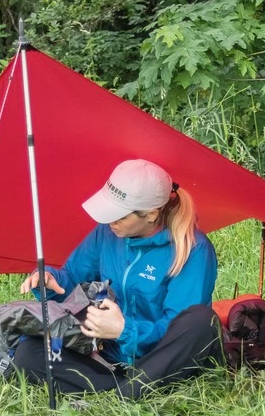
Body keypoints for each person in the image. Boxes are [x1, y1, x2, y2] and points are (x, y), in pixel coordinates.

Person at [13, 159, 223, 399]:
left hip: (164, 356)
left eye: (119, 216)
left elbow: (178, 327)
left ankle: (129, 392)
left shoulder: (194, 249)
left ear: (151, 214)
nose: (110, 221)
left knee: (202, 320)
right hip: (109, 356)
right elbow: (71, 278)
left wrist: (124, 331)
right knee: (29, 352)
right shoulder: (107, 233)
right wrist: (50, 280)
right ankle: (129, 390)